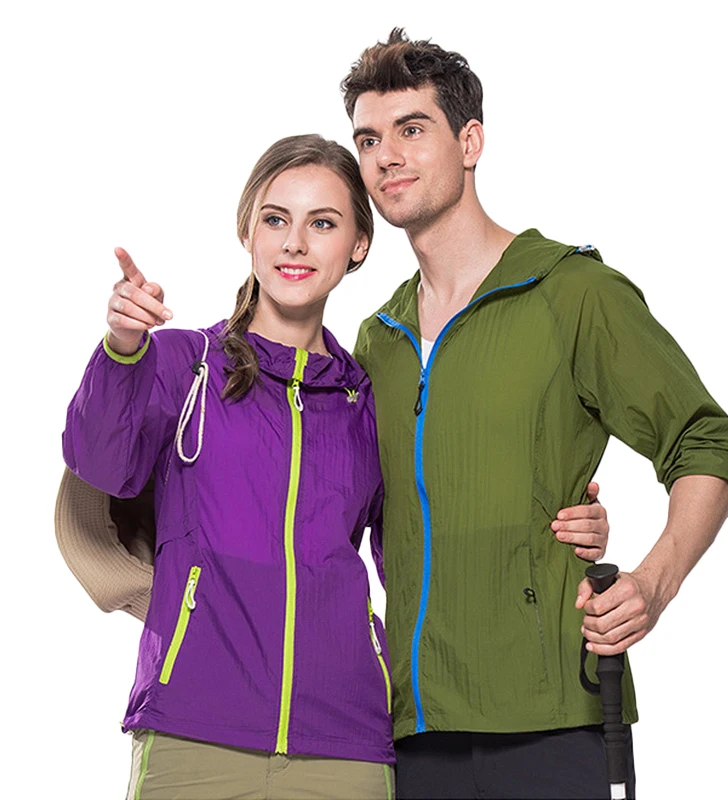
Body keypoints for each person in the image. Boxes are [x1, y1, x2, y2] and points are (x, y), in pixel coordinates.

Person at [60, 133, 611, 800]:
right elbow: (102, 462)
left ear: (358, 245)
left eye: (322, 223)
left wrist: (555, 516)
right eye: (276, 219)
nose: (295, 243)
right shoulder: (184, 364)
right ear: (248, 232)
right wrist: (122, 349)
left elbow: (423, 536)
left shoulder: (366, 398)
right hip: (194, 730)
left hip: (346, 744)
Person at [341, 30, 728, 800]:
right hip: (411, 726)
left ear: (470, 142)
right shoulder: (378, 340)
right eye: (368, 139)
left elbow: (708, 443)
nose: (386, 156)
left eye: (411, 129)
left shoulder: (572, 293)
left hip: (551, 721)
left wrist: (654, 582)